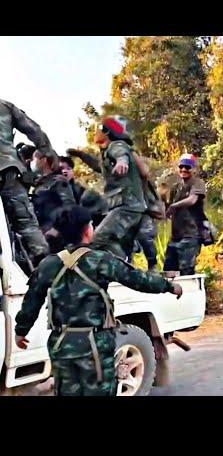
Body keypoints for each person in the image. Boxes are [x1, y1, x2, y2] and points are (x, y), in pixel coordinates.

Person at [13, 205, 183, 396]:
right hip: (94, 343)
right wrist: (169, 286)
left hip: (61, 343)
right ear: (87, 231)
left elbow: (31, 301)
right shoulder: (101, 260)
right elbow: (139, 280)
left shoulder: (48, 265)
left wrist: (21, 331)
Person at [0, 99, 56, 268]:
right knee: (27, 225)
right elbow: (33, 129)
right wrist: (47, 152)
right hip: (9, 171)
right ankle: (49, 273)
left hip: (9, 170)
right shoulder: (5, 106)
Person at [85, 116, 147, 259]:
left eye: (98, 130)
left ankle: (121, 262)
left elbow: (121, 154)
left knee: (97, 239)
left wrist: (122, 162)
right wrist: (80, 155)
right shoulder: (106, 152)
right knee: (120, 244)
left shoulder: (116, 145)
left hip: (126, 206)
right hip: (128, 206)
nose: (95, 133)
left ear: (106, 132)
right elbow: (99, 167)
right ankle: (126, 261)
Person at [163, 154, 206, 276]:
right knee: (168, 270)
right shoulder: (175, 188)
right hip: (175, 236)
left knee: (186, 271)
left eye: (187, 167)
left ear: (193, 169)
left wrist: (173, 206)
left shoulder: (197, 183)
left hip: (191, 235)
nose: (183, 169)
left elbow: (192, 200)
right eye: (181, 166)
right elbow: (167, 209)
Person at [30, 148, 77, 253]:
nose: (33, 162)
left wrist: (57, 229)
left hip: (55, 239)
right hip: (42, 235)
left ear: (44, 160)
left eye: (35, 159)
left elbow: (69, 208)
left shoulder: (58, 182)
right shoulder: (40, 184)